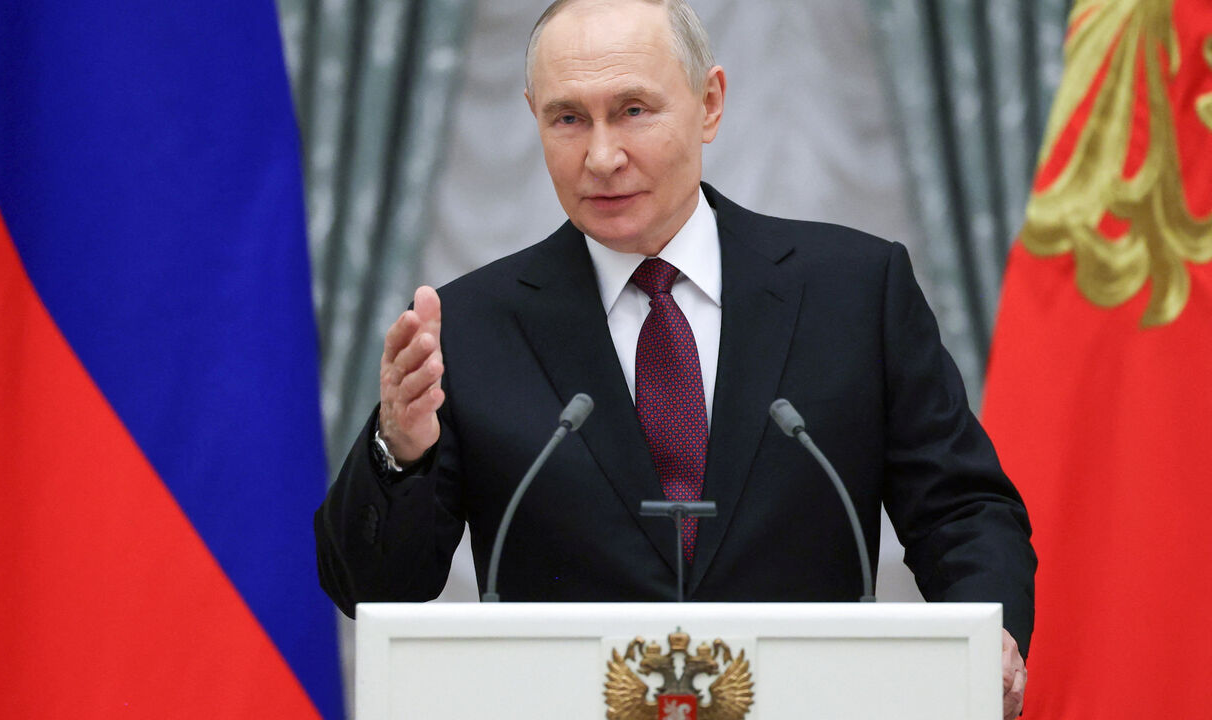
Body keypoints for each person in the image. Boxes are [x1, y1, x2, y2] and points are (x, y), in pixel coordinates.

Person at [314, 0, 1033, 716]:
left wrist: (986, 631)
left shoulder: (855, 290)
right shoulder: (470, 324)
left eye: (632, 110)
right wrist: (397, 453)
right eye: (568, 118)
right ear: (534, 117)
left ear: (709, 104)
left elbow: (961, 509)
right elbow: (373, 590)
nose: (601, 155)